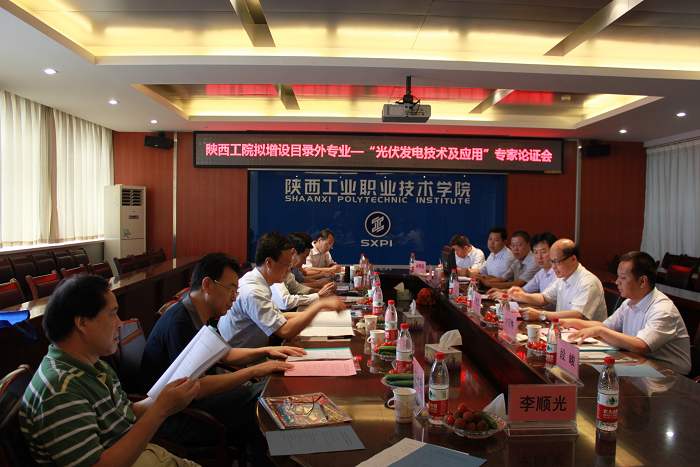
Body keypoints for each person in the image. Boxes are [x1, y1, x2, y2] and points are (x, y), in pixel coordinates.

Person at [20, 275, 200, 467]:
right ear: (82, 323)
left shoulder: (94, 365)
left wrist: (163, 398)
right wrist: (161, 410)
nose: (120, 323)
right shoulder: (60, 391)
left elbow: (125, 413)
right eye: (112, 314)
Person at [141, 253, 296, 466]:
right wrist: (253, 371)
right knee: (263, 396)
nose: (234, 297)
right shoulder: (180, 322)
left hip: (196, 403)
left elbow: (225, 353)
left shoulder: (200, 313)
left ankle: (267, 457)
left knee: (267, 389)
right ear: (207, 285)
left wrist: (267, 350)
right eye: (231, 289)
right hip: (179, 416)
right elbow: (195, 387)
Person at [562, 251, 691, 375]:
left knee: (598, 377)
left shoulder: (663, 309)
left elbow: (642, 345)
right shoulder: (629, 302)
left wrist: (600, 331)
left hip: (670, 375)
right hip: (640, 363)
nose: (617, 281)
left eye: (623, 277)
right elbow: (605, 326)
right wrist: (570, 322)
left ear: (642, 281)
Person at [218, 231, 346, 349]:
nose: (289, 269)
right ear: (269, 263)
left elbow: (279, 316)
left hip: (257, 348)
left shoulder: (260, 280)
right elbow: (284, 330)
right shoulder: (254, 291)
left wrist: (318, 314)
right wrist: (319, 305)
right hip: (242, 358)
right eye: (286, 264)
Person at [509, 238, 607, 322]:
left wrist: (541, 315)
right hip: (563, 329)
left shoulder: (588, 282)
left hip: (587, 335)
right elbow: (544, 298)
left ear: (573, 259)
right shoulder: (563, 277)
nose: (553, 267)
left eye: (556, 262)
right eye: (552, 262)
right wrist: (521, 296)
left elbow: (577, 315)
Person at [272, 233, 336, 310]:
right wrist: (318, 295)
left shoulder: (287, 270)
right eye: (304, 257)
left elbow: (297, 288)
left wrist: (321, 292)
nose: (305, 262)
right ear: (293, 252)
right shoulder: (276, 269)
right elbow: (286, 302)